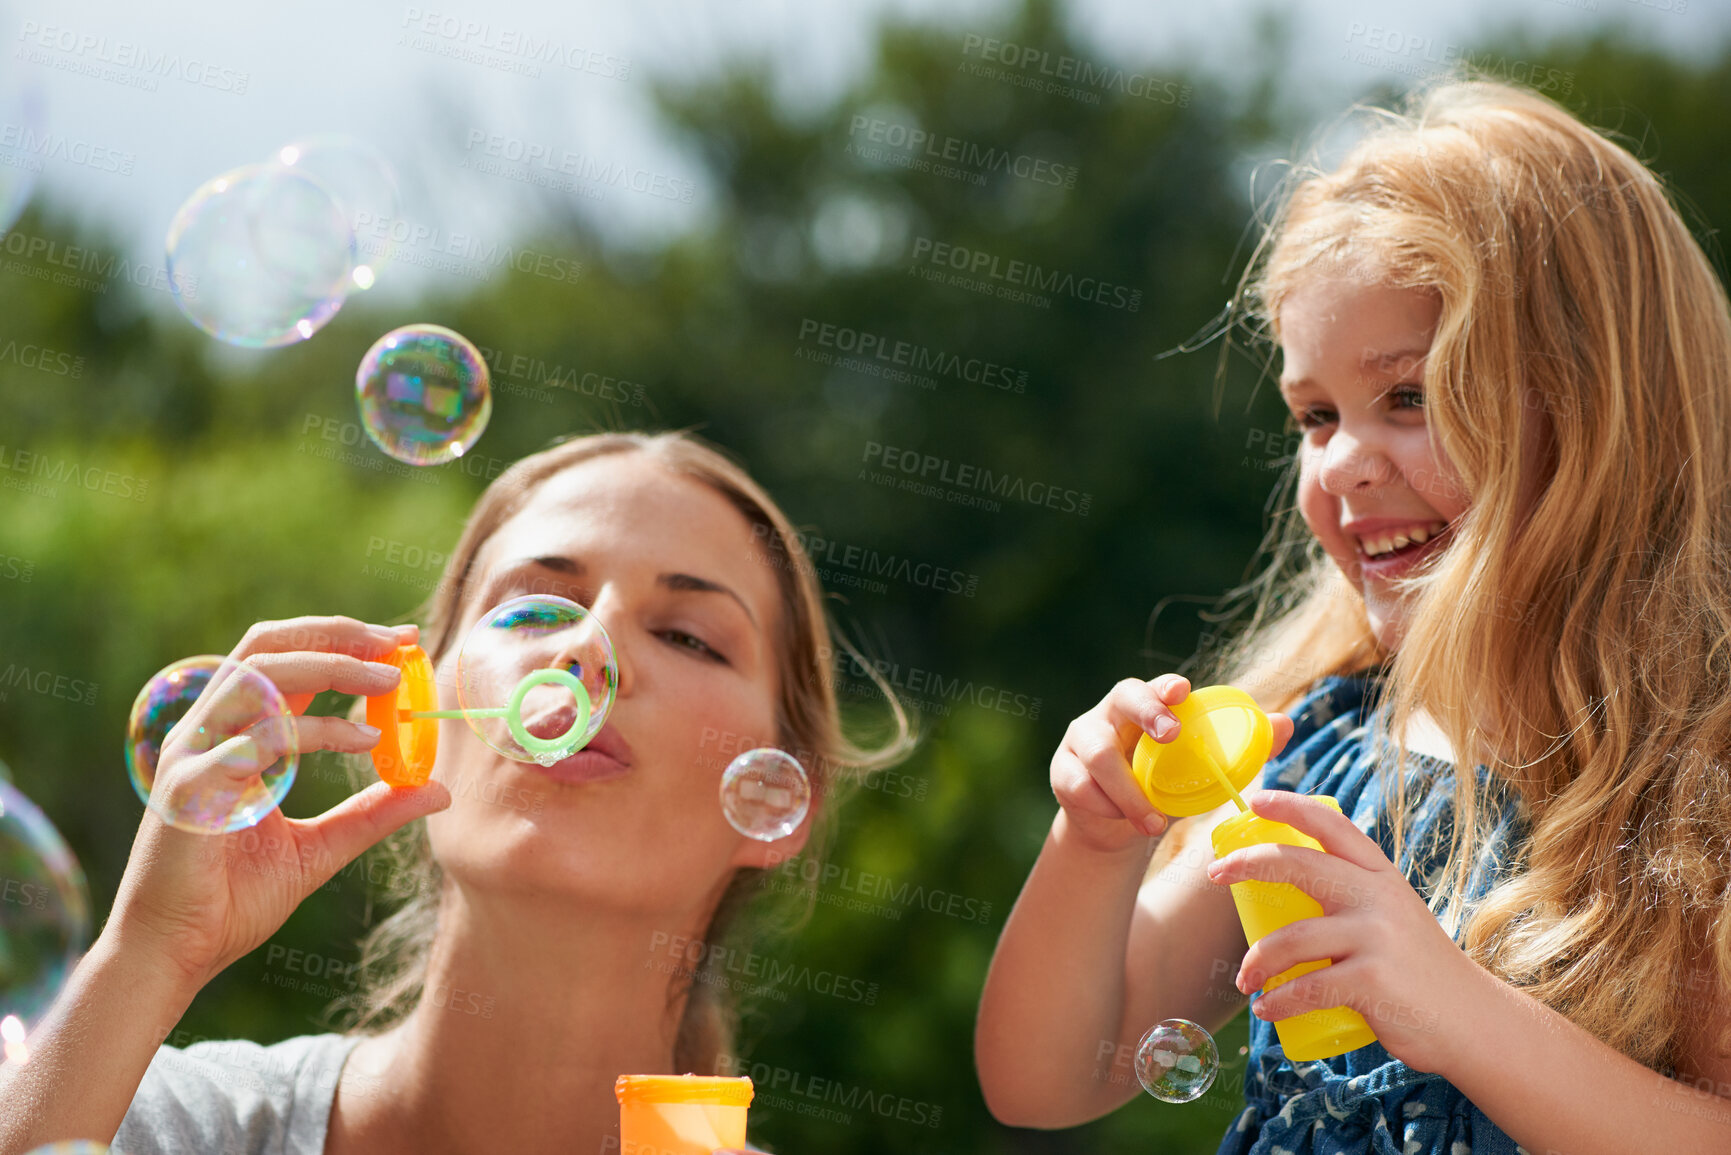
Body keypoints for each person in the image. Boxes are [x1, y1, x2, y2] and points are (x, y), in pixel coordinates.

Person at [975, 78, 1731, 1153]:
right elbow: (1047, 1078)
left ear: (1602, 411)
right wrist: (1092, 848)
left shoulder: (1692, 785)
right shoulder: (1313, 759)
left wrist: (1460, 1012)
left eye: (1411, 397)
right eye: (1314, 415)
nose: (1343, 463)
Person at [1, 430, 910, 1155]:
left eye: (687, 636)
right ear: (414, 711)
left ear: (782, 798)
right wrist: (153, 951)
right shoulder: (166, 1125)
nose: (586, 651)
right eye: (530, 606)